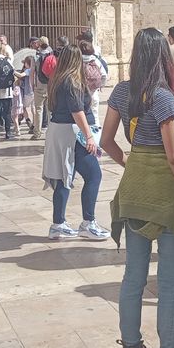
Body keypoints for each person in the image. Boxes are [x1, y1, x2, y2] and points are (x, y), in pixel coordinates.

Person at [101, 28, 174, 348]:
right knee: (170, 281)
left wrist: (129, 162)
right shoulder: (162, 97)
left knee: (134, 275)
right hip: (165, 194)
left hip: (134, 189)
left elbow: (107, 141)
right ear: (163, 57)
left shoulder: (122, 91)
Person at [42, 46, 110, 240]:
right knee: (93, 175)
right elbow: (76, 110)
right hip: (73, 133)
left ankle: (58, 224)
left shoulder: (56, 79)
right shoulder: (72, 80)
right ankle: (88, 223)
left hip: (59, 131)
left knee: (64, 178)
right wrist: (89, 136)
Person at [33, 36, 54, 140]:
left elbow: (33, 71)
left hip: (39, 85)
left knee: (38, 109)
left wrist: (32, 84)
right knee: (50, 109)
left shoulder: (36, 55)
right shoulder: (52, 54)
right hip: (50, 84)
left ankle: (37, 132)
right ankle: (50, 132)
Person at [80, 39, 109, 116]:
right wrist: (101, 85)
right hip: (93, 92)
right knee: (95, 113)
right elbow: (104, 75)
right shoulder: (95, 60)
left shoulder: (77, 61)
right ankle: (96, 127)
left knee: (82, 115)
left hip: (80, 93)